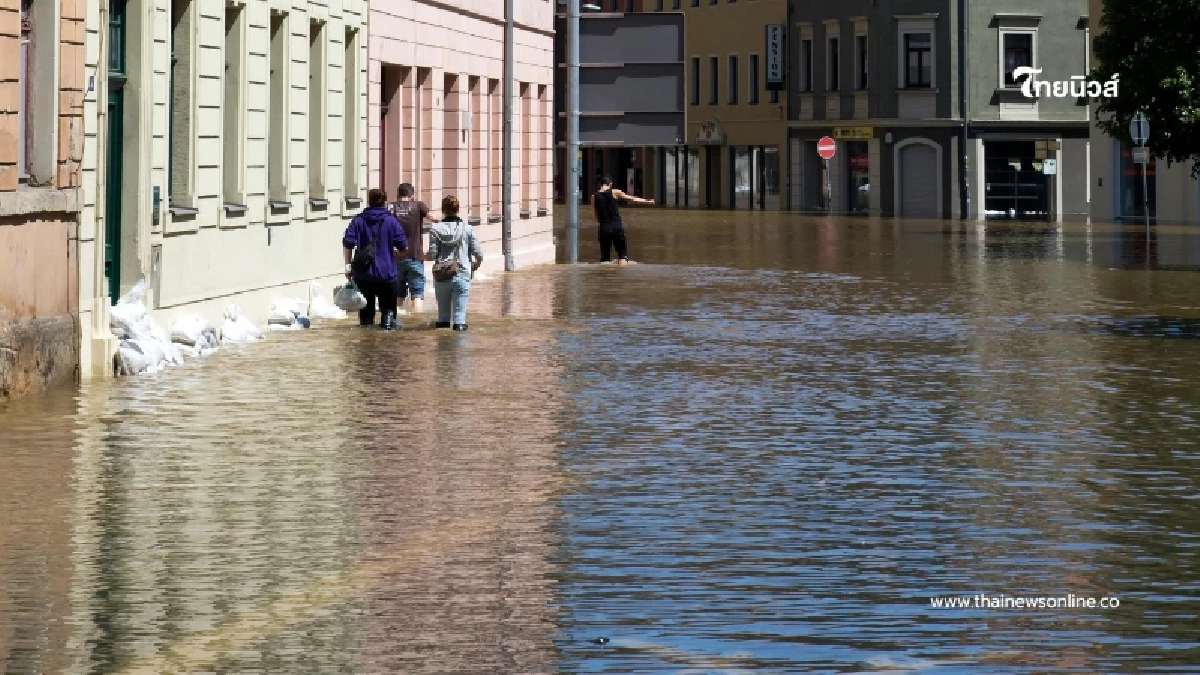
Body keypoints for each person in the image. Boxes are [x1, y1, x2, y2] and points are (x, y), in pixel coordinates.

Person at [343, 188, 408, 330]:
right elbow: (403, 246)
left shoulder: (358, 220)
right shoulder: (391, 221)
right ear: (384, 201)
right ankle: (387, 338)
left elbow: (348, 243)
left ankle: (367, 341)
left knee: (366, 315)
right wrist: (395, 254)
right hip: (387, 274)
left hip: (364, 274)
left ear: (369, 201)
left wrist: (348, 266)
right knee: (388, 311)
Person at [426, 195, 482, 331]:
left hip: (442, 275)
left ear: (443, 210)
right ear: (457, 209)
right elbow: (479, 254)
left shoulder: (435, 229)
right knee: (459, 318)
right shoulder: (467, 229)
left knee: (443, 318)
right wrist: (476, 265)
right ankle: (460, 342)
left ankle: (443, 343)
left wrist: (421, 256)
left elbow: (433, 255)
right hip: (462, 274)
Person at [389, 183, 439, 315]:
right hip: (415, 256)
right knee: (417, 293)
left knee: (398, 293)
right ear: (412, 195)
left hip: (396, 257)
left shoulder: (391, 207)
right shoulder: (418, 206)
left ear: (398, 195)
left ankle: (396, 320)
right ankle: (416, 322)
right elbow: (433, 218)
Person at [591, 174, 654, 265]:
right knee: (622, 255)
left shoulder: (594, 196)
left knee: (605, 258)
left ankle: (605, 273)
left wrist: (603, 222)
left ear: (600, 184)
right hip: (617, 226)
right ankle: (622, 271)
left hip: (603, 228)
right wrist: (648, 201)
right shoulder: (615, 192)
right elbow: (632, 199)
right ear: (610, 184)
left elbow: (595, 216)